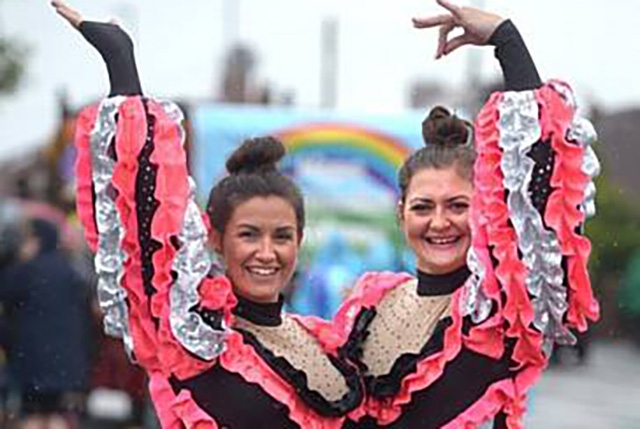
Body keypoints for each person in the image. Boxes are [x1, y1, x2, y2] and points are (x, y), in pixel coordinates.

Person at [51, 1, 363, 428]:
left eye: (282, 236)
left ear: (300, 239)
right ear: (216, 239)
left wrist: (493, 42)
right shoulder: (197, 333)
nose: (267, 252)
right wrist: (122, 64)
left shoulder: (324, 347)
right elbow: (149, 218)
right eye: (249, 234)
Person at [334, 1, 600, 427]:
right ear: (402, 212)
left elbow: (539, 187)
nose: (440, 222)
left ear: (485, 210)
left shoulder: (500, 309)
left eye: (458, 205)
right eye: (423, 207)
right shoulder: (368, 308)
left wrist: (506, 40)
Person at [0, 218, 92, 429]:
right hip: (68, 364)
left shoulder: (25, 272)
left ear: (36, 240)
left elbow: (6, 295)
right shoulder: (70, 270)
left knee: (33, 413)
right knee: (58, 414)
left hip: (33, 363)